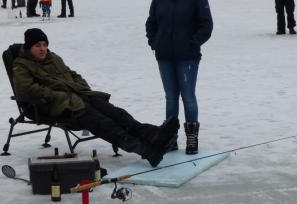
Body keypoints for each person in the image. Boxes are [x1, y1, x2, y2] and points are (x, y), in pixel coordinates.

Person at [12, 28, 179, 167]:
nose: (42, 49)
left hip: (79, 96)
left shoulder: (53, 58)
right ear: (29, 47)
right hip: (56, 105)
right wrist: (58, 95)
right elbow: (26, 90)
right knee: (102, 123)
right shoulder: (22, 65)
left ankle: (155, 135)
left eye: (44, 45)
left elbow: (73, 74)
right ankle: (147, 151)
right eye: (37, 45)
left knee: (116, 113)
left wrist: (82, 87)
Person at [145, 0, 213, 155]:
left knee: (188, 96)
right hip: (164, 55)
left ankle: (192, 138)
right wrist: (154, 42)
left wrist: (192, 44)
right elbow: (151, 23)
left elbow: (206, 25)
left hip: (188, 57)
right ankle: (170, 138)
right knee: (170, 98)